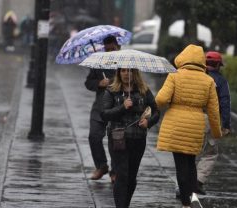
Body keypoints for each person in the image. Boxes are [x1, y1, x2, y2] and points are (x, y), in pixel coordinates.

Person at [155, 44, 222, 208]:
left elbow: (161, 99)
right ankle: (193, 197)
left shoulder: (174, 76)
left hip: (175, 124)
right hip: (196, 125)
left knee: (180, 165)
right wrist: (216, 132)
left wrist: (169, 103)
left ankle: (186, 203)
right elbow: (214, 111)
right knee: (191, 162)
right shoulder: (208, 81)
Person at [101, 68, 160, 208]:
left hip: (138, 138)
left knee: (132, 177)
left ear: (135, 73)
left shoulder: (144, 90)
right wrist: (123, 107)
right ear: (119, 73)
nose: (126, 74)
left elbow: (156, 111)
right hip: (118, 138)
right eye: (123, 71)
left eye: (129, 71)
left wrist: (148, 122)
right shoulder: (111, 91)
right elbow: (104, 114)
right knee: (122, 175)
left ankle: (125, 204)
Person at [84, 35, 120, 182]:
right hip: (99, 106)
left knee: (116, 141)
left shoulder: (124, 63)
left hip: (117, 107)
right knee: (94, 136)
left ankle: (115, 171)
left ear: (118, 47)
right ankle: (101, 165)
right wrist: (100, 83)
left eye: (113, 48)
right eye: (107, 49)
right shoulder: (98, 63)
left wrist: (113, 82)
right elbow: (88, 83)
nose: (110, 51)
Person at [196, 51, 231, 194]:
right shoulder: (221, 81)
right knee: (210, 152)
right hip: (211, 119)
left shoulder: (197, 77)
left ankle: (184, 184)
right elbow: (225, 103)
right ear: (218, 65)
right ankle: (198, 181)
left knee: (189, 152)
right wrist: (226, 125)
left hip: (193, 118)